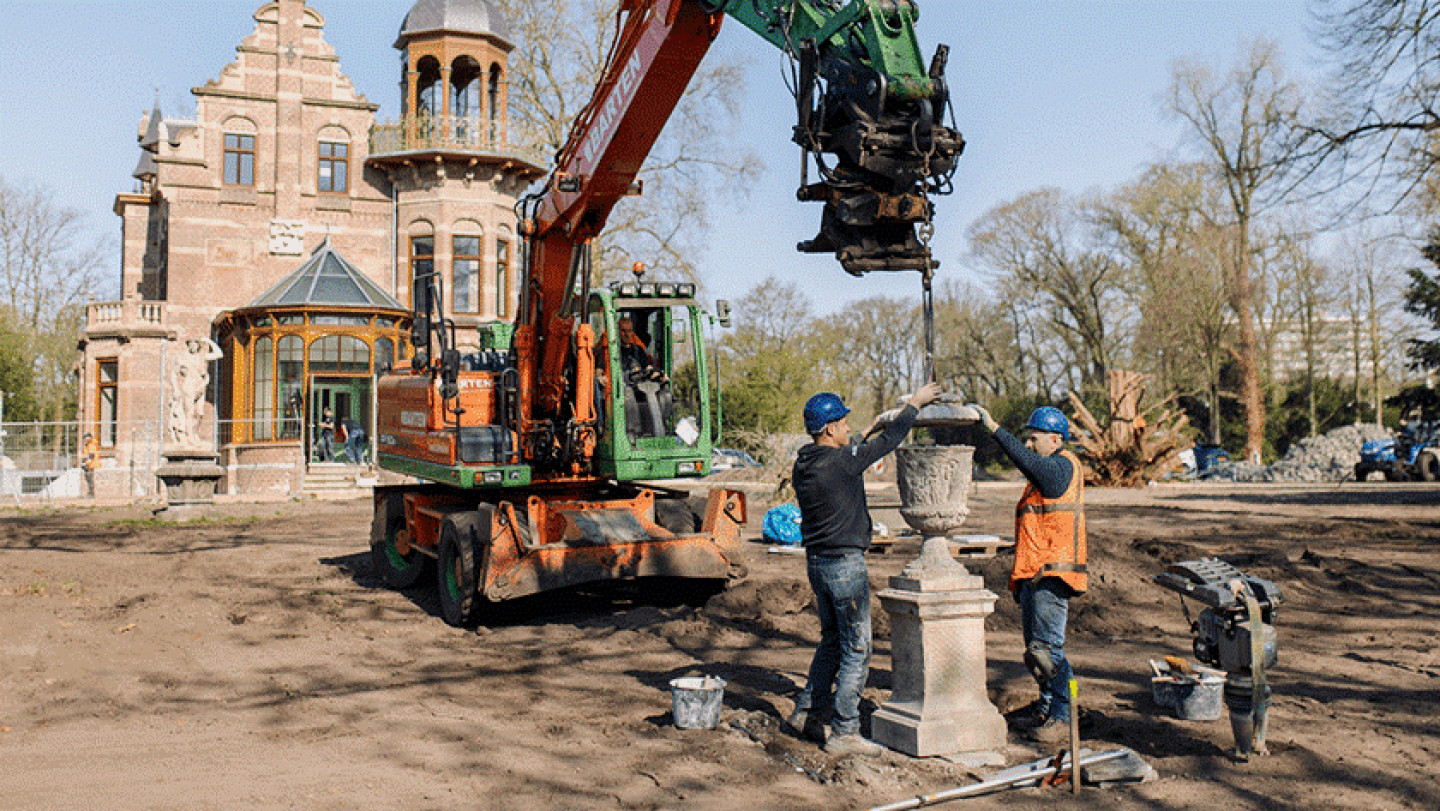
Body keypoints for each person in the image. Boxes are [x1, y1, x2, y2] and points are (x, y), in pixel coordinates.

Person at [786, 381, 942, 757]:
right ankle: (845, 732)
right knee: (857, 647)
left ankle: (806, 710)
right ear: (828, 429)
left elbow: (855, 447)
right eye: (841, 422)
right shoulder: (842, 461)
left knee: (831, 640)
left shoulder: (805, 462)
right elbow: (887, 444)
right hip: (844, 565)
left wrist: (867, 427)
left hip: (817, 563)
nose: (845, 428)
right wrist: (914, 406)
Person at [972, 404, 1088, 744]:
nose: (1030, 443)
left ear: (1055, 439)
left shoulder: (1061, 468)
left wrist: (994, 427)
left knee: (1049, 652)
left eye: (1034, 438)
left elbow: (1028, 461)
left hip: (1054, 574)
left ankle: (1065, 715)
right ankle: (1049, 707)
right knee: (1036, 652)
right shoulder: (1048, 472)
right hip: (1038, 574)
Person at [82, 432, 100, 497]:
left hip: (91, 465)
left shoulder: (91, 445)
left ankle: (91, 493)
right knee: (87, 478)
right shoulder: (87, 445)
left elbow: (91, 456)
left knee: (90, 478)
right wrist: (83, 463)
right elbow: (85, 455)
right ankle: (90, 493)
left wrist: (86, 464)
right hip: (88, 464)